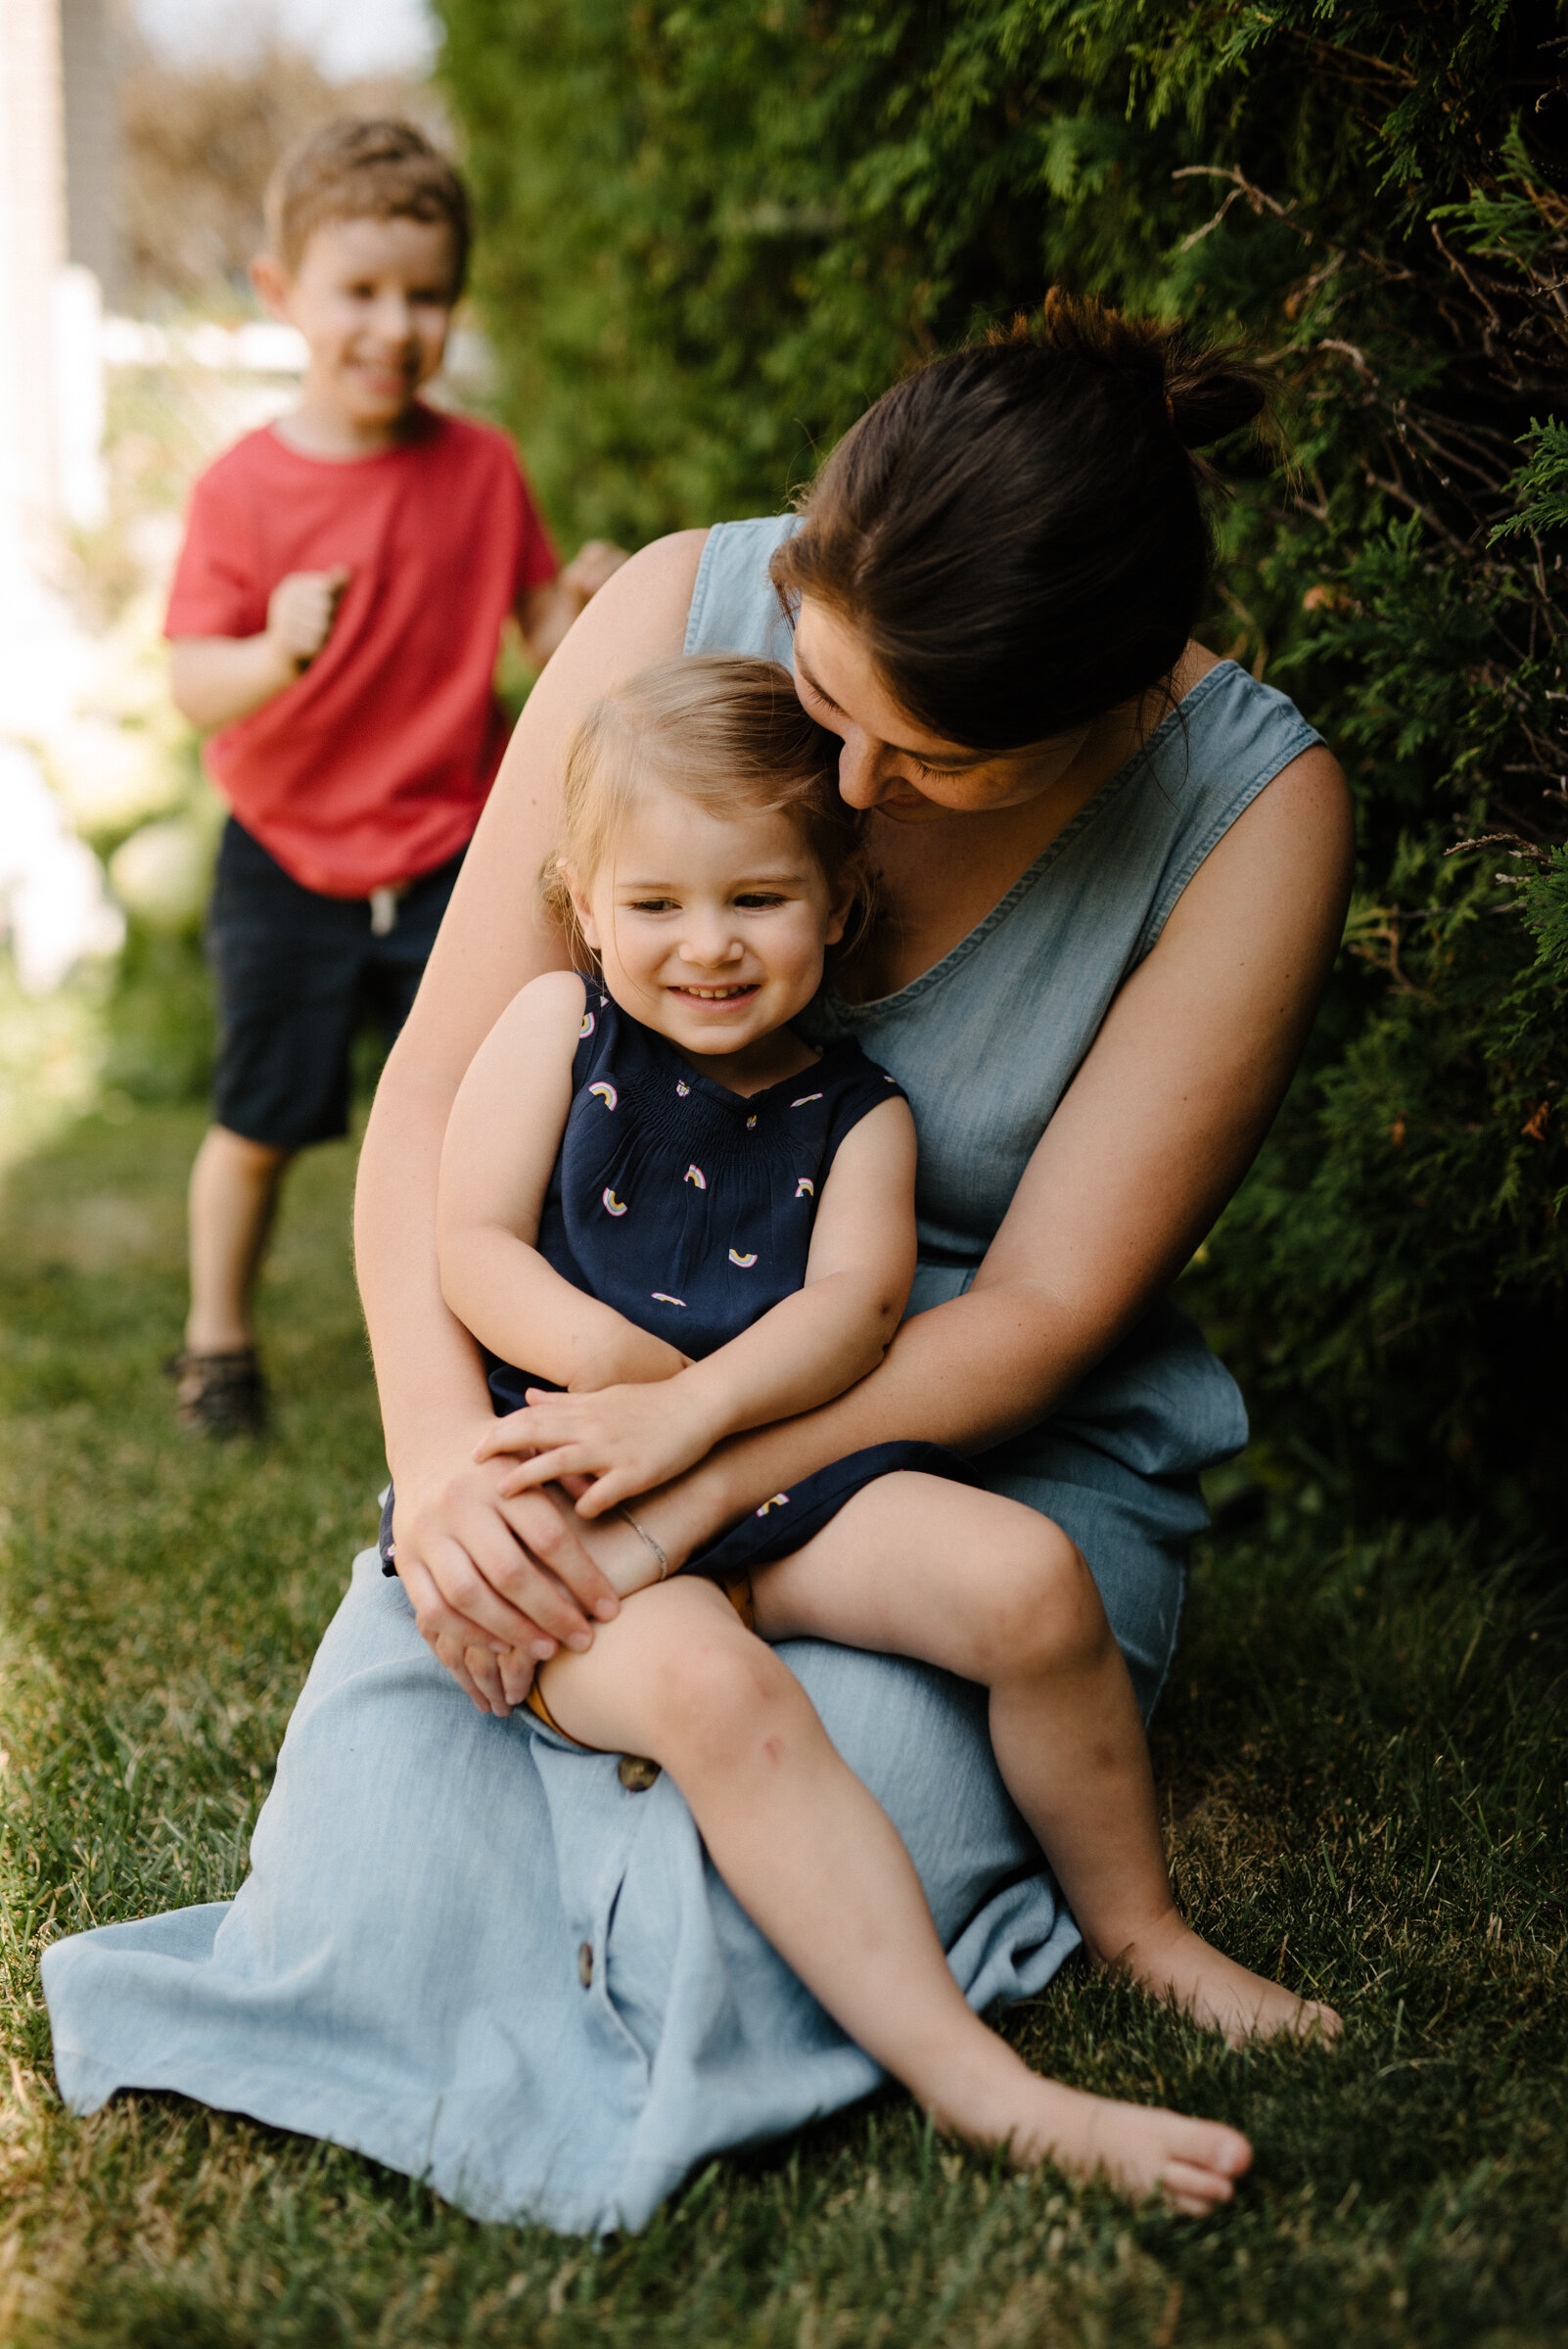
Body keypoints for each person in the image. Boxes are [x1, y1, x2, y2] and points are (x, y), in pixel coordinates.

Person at [43, 296, 1355, 2236]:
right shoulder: (674, 610)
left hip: (946, 1435)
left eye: (920, 759)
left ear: (1096, 712)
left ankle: (1039, 1994)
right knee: (378, 1886)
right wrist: (449, 1483)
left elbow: (1038, 1314)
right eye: (823, 705)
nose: (837, 800)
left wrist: (704, 1468)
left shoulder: (1253, 811)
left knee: (796, 1876)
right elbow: (430, 1125)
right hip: (580, 1412)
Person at [427, 647, 1331, 2203]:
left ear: (838, 904)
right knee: (723, 1700)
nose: (704, 947)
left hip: (772, 1472)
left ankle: (1138, 1927)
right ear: (582, 901)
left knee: (1029, 1585)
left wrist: (702, 1418)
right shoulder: (548, 1036)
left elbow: (851, 1316)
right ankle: (977, 2082)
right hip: (570, 1501)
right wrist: (618, 1371)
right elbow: (469, 1248)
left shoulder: (857, 1114)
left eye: (755, 900)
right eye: (654, 907)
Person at [162, 116, 624, 1435]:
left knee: (477, 1118)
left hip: (449, 853)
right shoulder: (241, 491)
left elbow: (539, 646)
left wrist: (581, 607)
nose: (393, 325)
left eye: (424, 295)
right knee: (259, 1118)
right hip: (288, 855)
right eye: (358, 291)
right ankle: (217, 1345)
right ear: (281, 294)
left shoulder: (480, 469)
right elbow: (193, 681)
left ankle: (487, 1345)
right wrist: (272, 651)